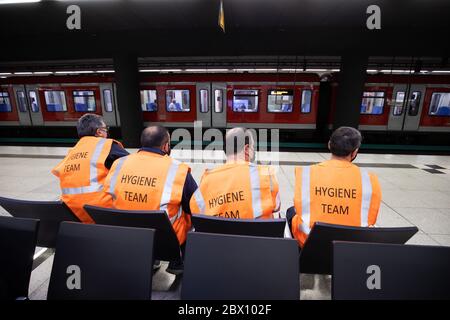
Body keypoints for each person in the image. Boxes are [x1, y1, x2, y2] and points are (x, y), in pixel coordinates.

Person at [103, 126, 197, 274]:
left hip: (127, 237)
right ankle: (177, 263)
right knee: (187, 214)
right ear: (166, 146)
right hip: (165, 242)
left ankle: (151, 259)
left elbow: (107, 194)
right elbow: (195, 205)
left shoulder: (118, 164)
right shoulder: (178, 169)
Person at [288, 126, 382, 247]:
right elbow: (371, 219)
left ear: (329, 145)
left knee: (291, 211)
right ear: (355, 152)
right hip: (352, 244)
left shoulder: (306, 173)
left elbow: (300, 207)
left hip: (309, 242)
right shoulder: (370, 179)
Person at [51, 114, 129, 223]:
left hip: (71, 212)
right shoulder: (105, 145)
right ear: (99, 132)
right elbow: (132, 165)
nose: (107, 132)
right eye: (106, 129)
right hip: (100, 212)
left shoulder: (72, 152)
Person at [190, 127, 280, 219]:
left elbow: (196, 212)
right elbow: (276, 207)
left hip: (219, 233)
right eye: (253, 148)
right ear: (246, 149)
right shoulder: (266, 175)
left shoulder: (207, 180)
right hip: (257, 233)